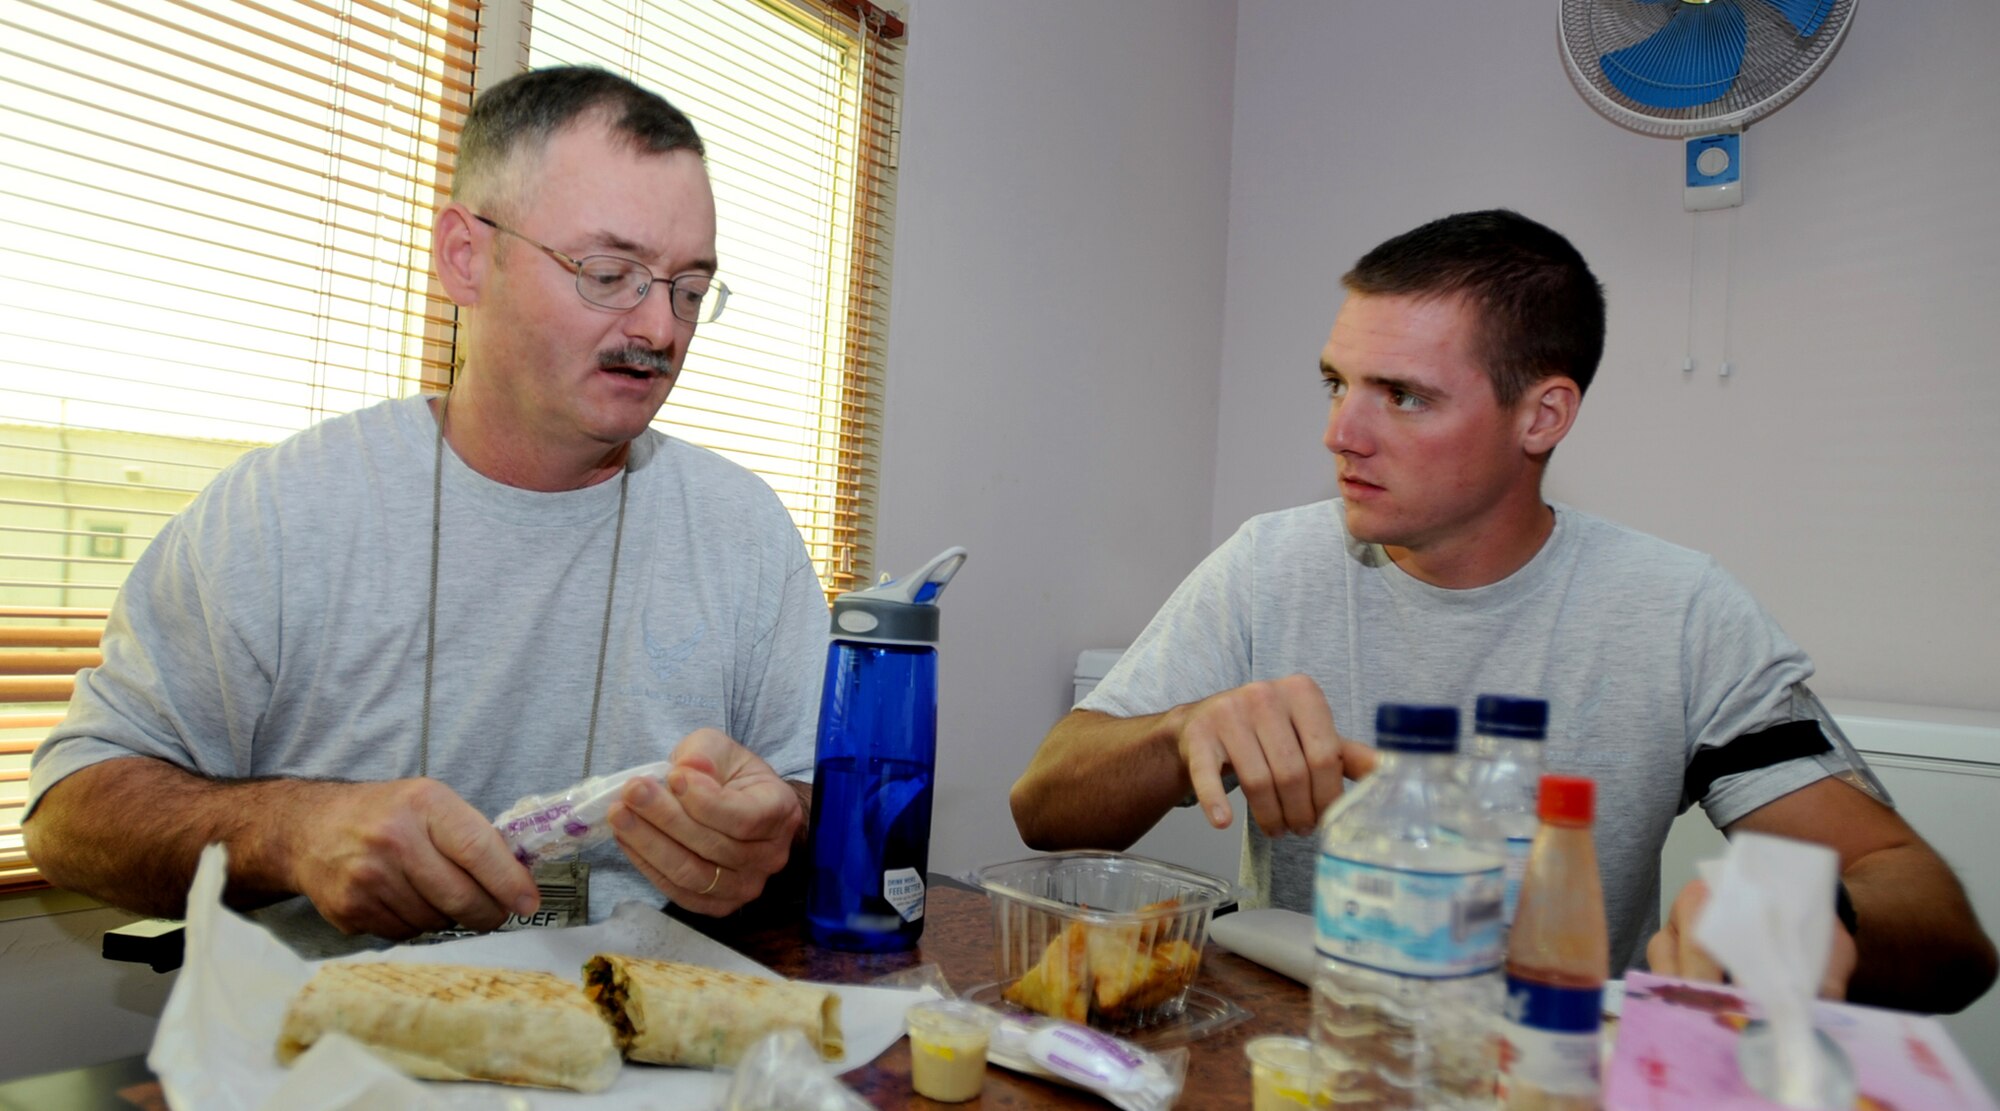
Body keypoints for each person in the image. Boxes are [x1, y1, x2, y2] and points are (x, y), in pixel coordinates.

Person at [1010, 209, 1997, 1014]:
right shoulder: (1268, 565)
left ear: (1542, 416)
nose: (1338, 432)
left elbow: (1943, 929)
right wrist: (1181, 729)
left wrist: (1813, 912)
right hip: (1305, 1063)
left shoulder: (1675, 613)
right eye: (1335, 382)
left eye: (1399, 395)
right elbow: (1043, 806)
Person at [23, 66, 829, 957]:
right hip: (339, 1064)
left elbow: (814, 806)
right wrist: (290, 830)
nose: (659, 330)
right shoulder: (286, 514)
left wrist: (778, 825)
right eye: (610, 273)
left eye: (687, 288)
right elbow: (69, 810)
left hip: (649, 1057)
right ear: (465, 257)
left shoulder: (744, 533)